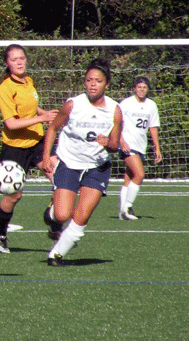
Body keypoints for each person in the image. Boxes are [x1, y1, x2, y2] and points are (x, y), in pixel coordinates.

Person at [42, 57, 123, 267]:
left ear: (107, 84)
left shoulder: (115, 110)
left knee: (82, 214)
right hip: (69, 163)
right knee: (62, 214)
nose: (92, 84)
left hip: (98, 167)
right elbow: (52, 128)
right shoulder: (72, 105)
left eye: (97, 80)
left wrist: (108, 144)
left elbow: (115, 145)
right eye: (88, 80)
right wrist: (46, 155)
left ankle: (56, 255)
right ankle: (51, 212)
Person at [0, 44, 59, 254]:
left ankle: (54, 223)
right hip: (14, 149)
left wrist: (44, 114)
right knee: (14, 197)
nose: (19, 62)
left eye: (22, 58)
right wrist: (42, 118)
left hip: (37, 141)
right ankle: (0, 232)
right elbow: (10, 123)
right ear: (7, 63)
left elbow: (30, 107)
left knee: (59, 176)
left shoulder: (28, 82)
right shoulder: (5, 88)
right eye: (14, 59)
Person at [118, 76, 162, 220]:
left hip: (140, 145)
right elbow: (115, 123)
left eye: (144, 87)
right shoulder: (126, 104)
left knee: (129, 178)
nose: (142, 90)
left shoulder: (151, 105)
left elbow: (153, 127)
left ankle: (121, 211)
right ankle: (128, 208)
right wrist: (120, 140)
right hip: (127, 145)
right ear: (134, 88)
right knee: (140, 174)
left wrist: (157, 147)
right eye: (139, 87)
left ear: (147, 89)